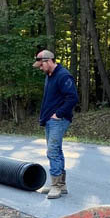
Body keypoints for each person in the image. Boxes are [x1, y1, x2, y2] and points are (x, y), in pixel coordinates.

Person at [34, 49, 79, 199]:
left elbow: (72, 98)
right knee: (56, 151)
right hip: (49, 120)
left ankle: (56, 186)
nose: (40, 68)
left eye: (41, 65)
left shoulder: (63, 75)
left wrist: (58, 114)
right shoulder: (49, 75)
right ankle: (61, 184)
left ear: (48, 61)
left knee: (52, 151)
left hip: (58, 120)